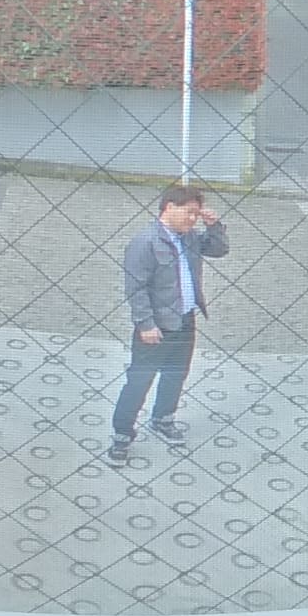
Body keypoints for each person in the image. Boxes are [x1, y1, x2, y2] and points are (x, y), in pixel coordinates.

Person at [112, 184, 224, 461]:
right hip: (156, 326)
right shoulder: (146, 242)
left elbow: (219, 249)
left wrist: (214, 226)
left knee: (176, 374)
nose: (193, 219)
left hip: (185, 320)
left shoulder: (190, 238)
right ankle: (122, 434)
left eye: (196, 214)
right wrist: (145, 324)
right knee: (139, 380)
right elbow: (136, 287)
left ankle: (163, 418)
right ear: (169, 207)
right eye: (189, 212)